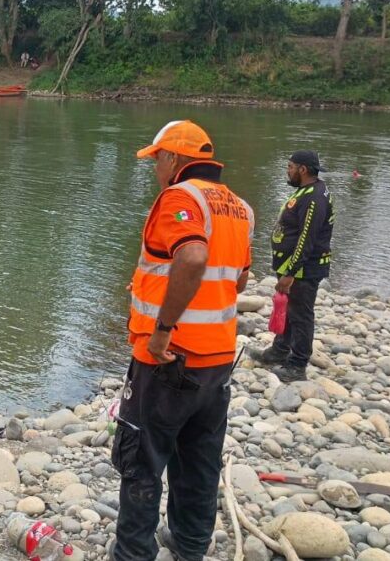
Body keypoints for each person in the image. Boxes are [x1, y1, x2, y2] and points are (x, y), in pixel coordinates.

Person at [113, 121, 253, 561]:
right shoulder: (239, 208)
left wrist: (163, 328)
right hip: (217, 360)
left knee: (141, 458)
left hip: (168, 359)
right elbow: (239, 279)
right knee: (199, 458)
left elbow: (192, 257)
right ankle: (191, 546)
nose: (155, 168)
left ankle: (133, 553)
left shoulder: (179, 199)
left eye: (157, 159)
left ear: (174, 158)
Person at [251, 150, 334, 382]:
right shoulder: (307, 191)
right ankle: (279, 350)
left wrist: (290, 272)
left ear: (302, 169)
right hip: (295, 266)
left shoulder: (314, 198)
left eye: (290, 167)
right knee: (289, 310)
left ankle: (298, 364)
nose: (287, 171)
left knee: (301, 314)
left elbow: (306, 239)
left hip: (304, 269)